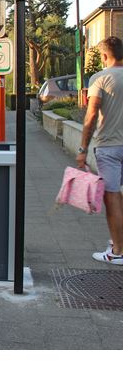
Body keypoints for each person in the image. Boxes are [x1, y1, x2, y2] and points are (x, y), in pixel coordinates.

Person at [77, 36, 123, 264]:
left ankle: (117, 252)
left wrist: (82, 148)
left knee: (112, 196)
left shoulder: (101, 78)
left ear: (104, 55)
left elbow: (92, 115)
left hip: (110, 147)